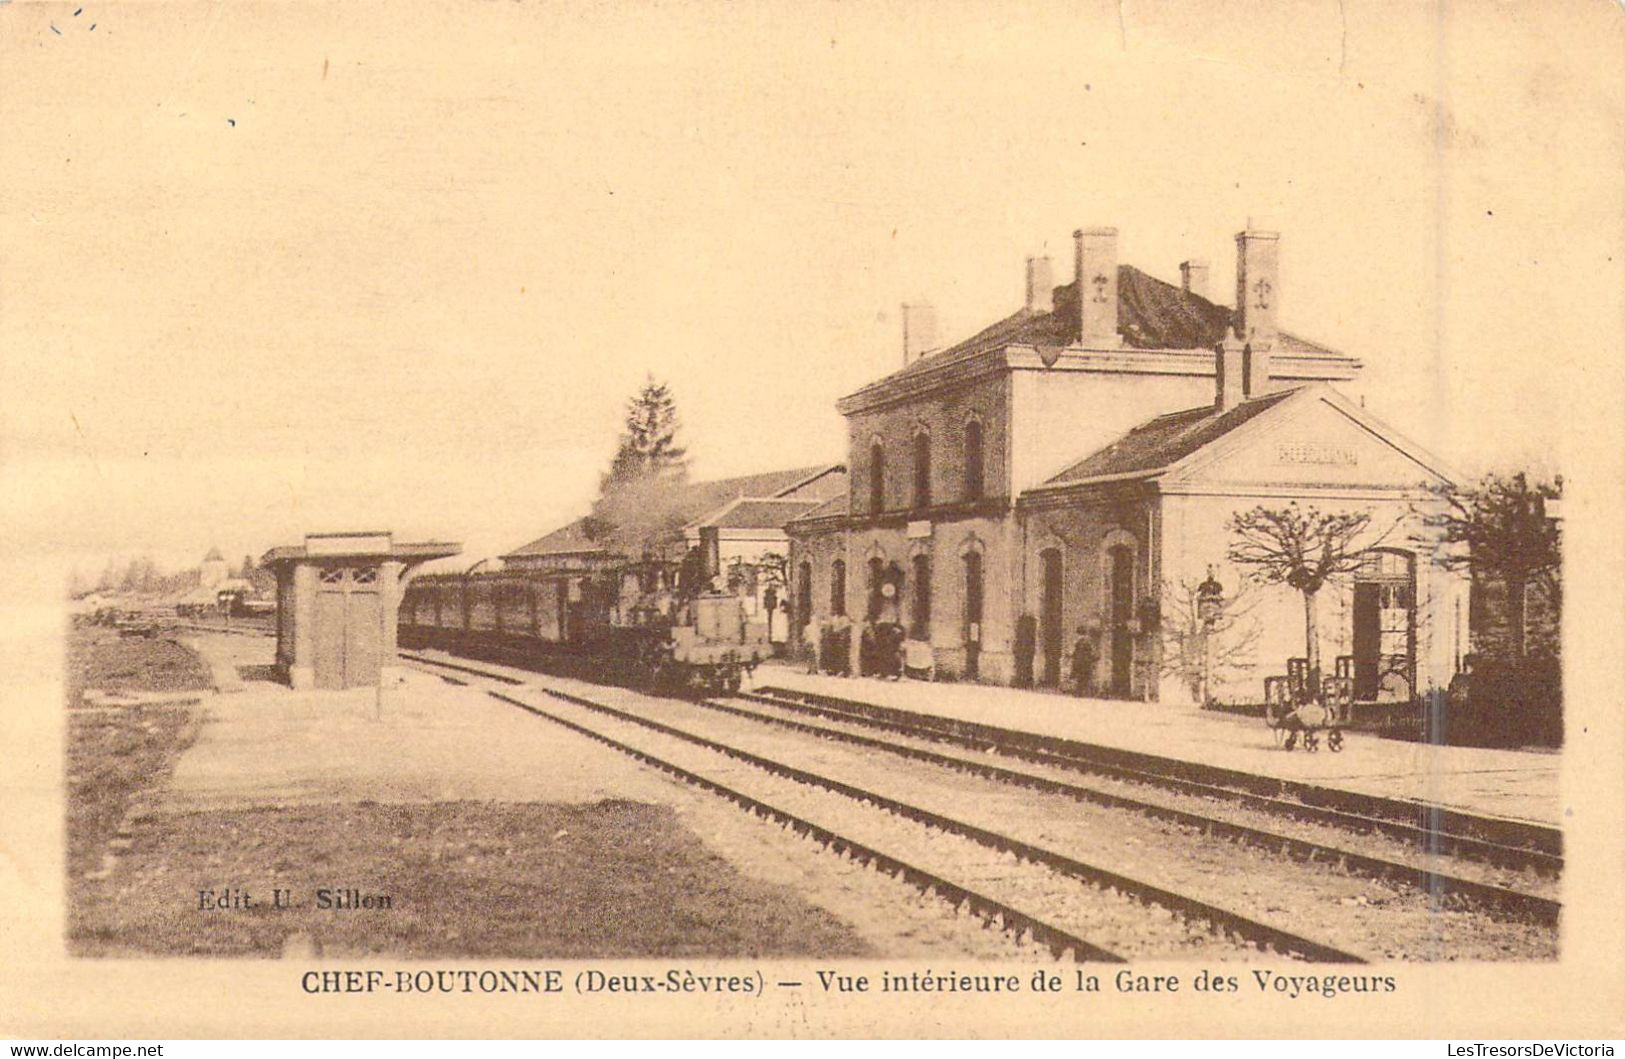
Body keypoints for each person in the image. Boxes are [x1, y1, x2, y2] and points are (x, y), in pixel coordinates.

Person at [1069, 626, 1097, 696]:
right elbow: (1091, 652)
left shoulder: (1079, 642)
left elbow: (1075, 652)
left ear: (1079, 634)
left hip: (1080, 662)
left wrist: (1071, 655)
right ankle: (1082, 692)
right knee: (1084, 677)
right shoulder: (1088, 641)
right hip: (1086, 662)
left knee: (1080, 677)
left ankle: (1079, 692)